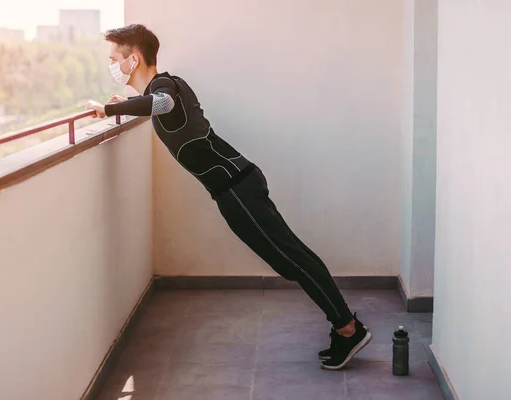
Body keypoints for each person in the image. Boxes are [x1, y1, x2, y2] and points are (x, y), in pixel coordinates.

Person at [86, 24, 372, 370]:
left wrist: (110, 109)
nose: (112, 65)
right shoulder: (169, 81)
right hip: (239, 184)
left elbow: (162, 103)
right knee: (292, 257)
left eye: (115, 58)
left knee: (293, 259)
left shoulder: (164, 87)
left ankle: (347, 329)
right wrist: (129, 103)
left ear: (133, 59)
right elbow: (160, 106)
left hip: (236, 189)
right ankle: (345, 326)